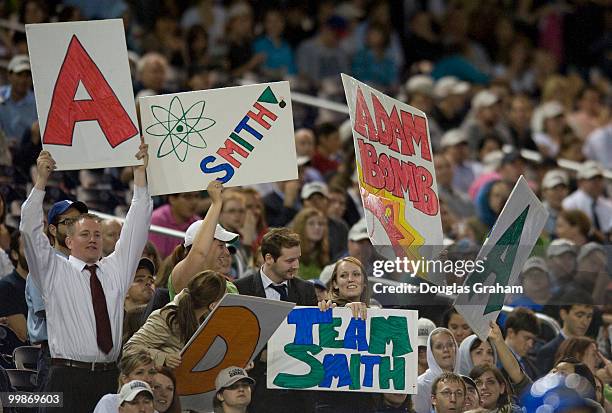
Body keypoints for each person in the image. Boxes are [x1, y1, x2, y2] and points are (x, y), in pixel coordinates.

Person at [20, 141, 152, 413]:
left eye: (97, 235)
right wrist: (41, 181)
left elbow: (137, 227)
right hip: (66, 376)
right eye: (84, 234)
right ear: (68, 241)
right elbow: (29, 231)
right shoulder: (53, 271)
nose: (93, 239)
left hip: (108, 376)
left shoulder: (115, 268)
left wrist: (140, 176)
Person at [234, 227, 317, 413]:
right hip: (256, 389)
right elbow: (235, 339)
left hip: (297, 394)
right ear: (269, 258)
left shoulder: (306, 290)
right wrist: (260, 354)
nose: (296, 265)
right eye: (289, 260)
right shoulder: (241, 290)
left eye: (298, 259)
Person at [25, 197, 88, 391]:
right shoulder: (43, 266)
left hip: (84, 353)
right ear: (52, 230)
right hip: (54, 354)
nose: (75, 227)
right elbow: (51, 311)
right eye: (68, 222)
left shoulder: (86, 266)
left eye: (78, 221)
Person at [124, 270, 227, 368]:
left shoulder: (209, 318)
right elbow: (130, 348)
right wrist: (164, 358)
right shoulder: (166, 317)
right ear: (213, 305)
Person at [315, 257, 373, 412]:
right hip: (329, 404)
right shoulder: (325, 310)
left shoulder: (378, 317)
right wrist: (341, 312)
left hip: (366, 405)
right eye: (343, 275)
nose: (350, 279)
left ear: (364, 282)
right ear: (334, 283)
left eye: (356, 274)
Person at [537, 289, 594, 374]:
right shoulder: (549, 351)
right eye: (579, 315)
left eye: (589, 316)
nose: (585, 322)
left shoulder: (592, 349)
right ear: (563, 314)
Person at [93, 350, 157, 413]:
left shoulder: (154, 408)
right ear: (125, 379)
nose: (148, 379)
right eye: (139, 373)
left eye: (151, 372)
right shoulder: (109, 402)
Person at [414, 328, 459, 413]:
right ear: (431, 352)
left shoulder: (464, 381)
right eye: (439, 347)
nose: (446, 350)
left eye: (450, 345)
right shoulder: (420, 385)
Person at [562, 161, 612, 237]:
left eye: (599, 179)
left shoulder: (608, 205)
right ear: (580, 182)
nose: (597, 183)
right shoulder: (570, 203)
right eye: (592, 179)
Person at [148, 191, 201, 258]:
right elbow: (157, 263)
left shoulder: (198, 222)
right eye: (187, 197)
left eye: (197, 196)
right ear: (172, 199)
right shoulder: (157, 220)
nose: (194, 202)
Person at [0, 231, 28, 345]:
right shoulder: (7, 287)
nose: (35, 253)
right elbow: (24, 335)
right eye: (28, 248)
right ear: (15, 254)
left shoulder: (47, 285)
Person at [291, 207, 329, 279]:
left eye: (320, 224)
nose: (317, 227)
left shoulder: (322, 256)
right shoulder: (292, 255)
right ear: (301, 227)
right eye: (311, 223)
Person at [504, 308, 541, 380]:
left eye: (533, 340)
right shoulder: (493, 360)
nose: (531, 345)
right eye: (527, 338)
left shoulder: (532, 365)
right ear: (511, 333)